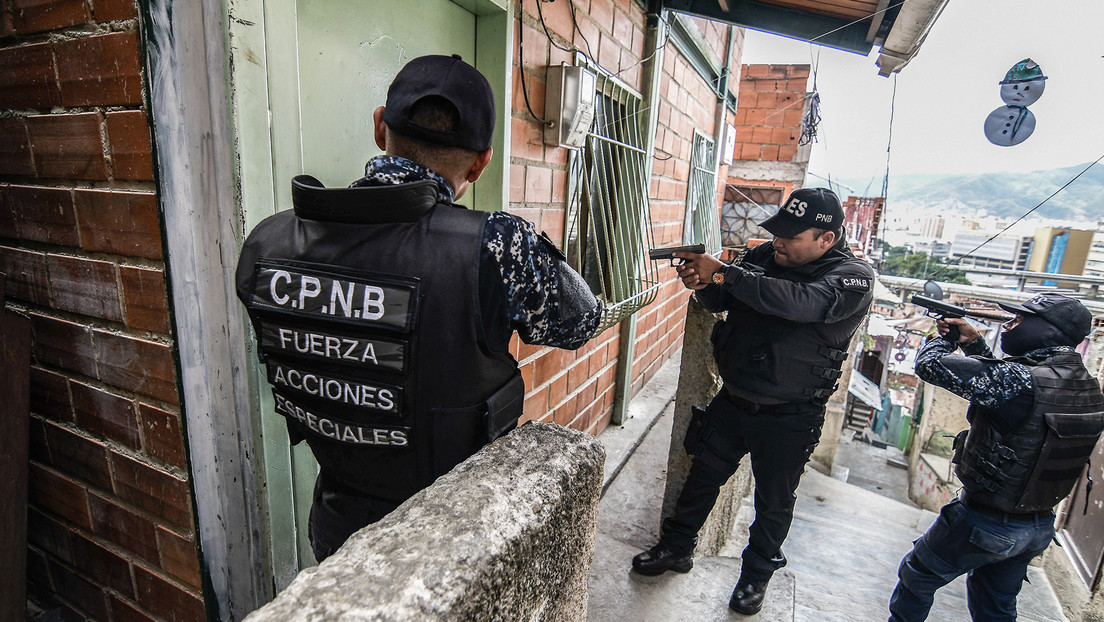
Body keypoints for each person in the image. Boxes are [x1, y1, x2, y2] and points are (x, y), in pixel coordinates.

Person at [235, 54, 602, 561]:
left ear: (380, 127)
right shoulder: (496, 245)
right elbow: (581, 320)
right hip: (455, 538)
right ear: (480, 162)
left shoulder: (269, 242)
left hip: (340, 531)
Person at [631, 187, 875, 615]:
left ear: (826, 239)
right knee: (701, 478)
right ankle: (675, 548)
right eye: (778, 231)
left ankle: (755, 577)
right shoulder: (765, 255)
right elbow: (723, 298)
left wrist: (724, 273)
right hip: (734, 398)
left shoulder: (851, 278)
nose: (778, 241)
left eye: (792, 236)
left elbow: (801, 303)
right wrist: (703, 282)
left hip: (790, 416)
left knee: (773, 502)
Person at [889, 293, 1104, 621]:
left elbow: (930, 366)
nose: (1008, 325)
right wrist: (975, 344)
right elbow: (1002, 393)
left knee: (917, 576)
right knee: (995, 608)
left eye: (1018, 320)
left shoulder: (1020, 381)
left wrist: (943, 339)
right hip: (1036, 525)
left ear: (1049, 330)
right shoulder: (1087, 387)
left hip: (985, 521)